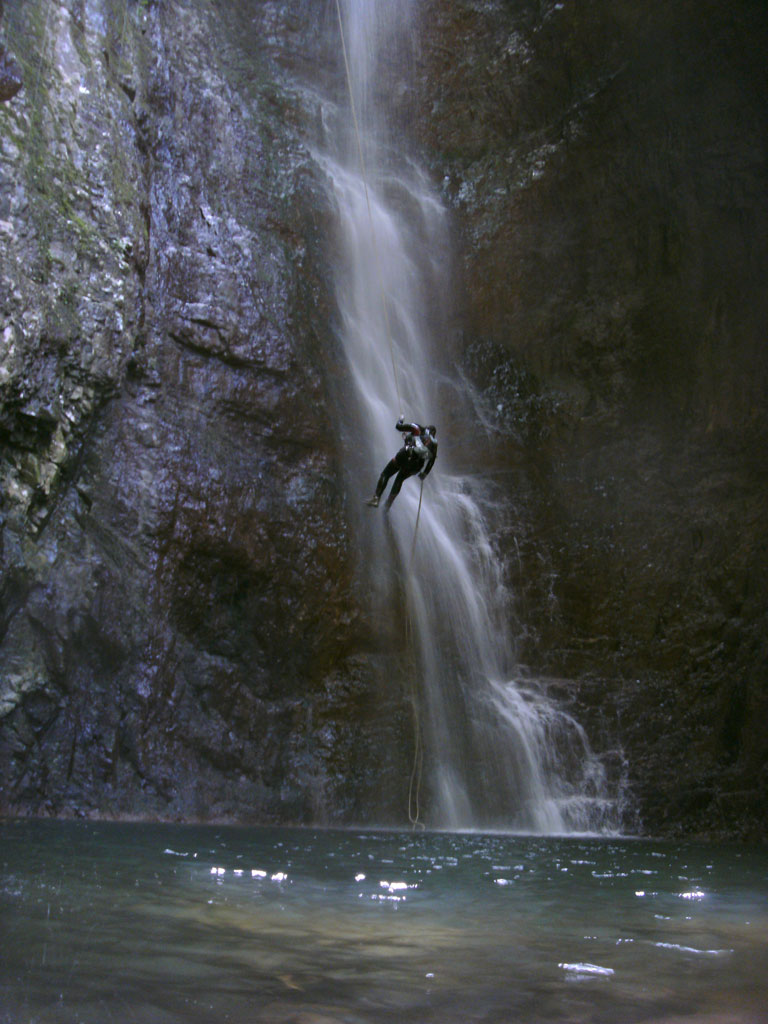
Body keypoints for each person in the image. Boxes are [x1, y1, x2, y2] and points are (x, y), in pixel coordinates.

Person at [366, 417, 437, 510]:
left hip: (405, 455)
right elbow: (431, 461)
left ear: (427, 428)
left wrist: (401, 419)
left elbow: (398, 427)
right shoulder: (434, 444)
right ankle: (388, 505)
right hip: (416, 466)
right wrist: (424, 473)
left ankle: (376, 498)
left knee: (386, 474)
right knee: (399, 479)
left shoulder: (417, 428)